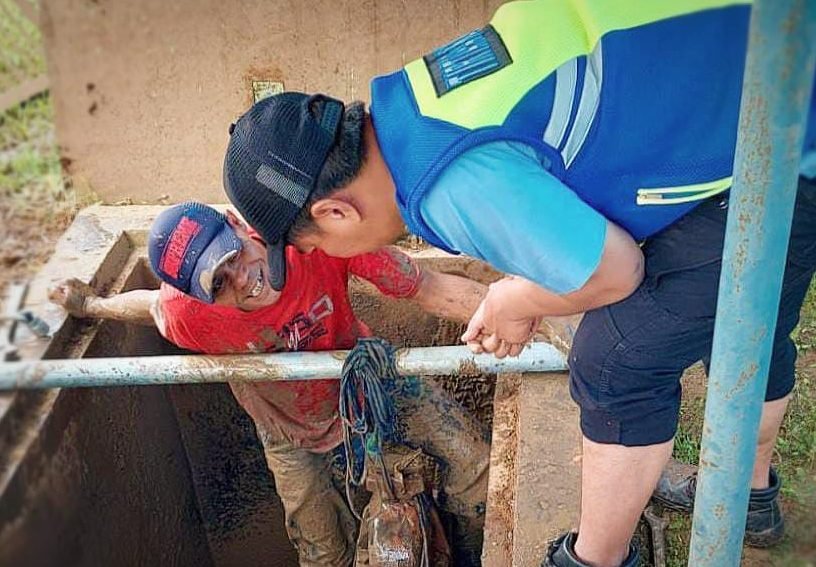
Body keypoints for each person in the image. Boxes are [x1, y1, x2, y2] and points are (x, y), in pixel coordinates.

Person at [220, 2, 816, 566]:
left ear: (334, 213)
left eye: (308, 247)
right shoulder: (419, 96)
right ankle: (753, 500)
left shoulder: (446, 184)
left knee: (614, 364)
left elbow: (616, 271)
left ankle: (596, 558)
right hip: (767, 75)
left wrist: (518, 297)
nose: (318, 257)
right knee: (747, 331)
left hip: (775, 149)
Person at [49, 202, 491, 567]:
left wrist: (521, 314)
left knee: (476, 466)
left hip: (371, 385)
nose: (242, 279)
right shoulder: (190, 315)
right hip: (288, 427)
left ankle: (475, 555)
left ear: (240, 223)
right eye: (218, 283)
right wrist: (92, 305)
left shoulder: (314, 240)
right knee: (322, 554)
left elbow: (425, 286)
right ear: (199, 297)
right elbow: (150, 305)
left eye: (234, 255)